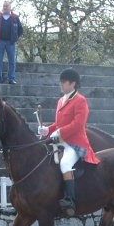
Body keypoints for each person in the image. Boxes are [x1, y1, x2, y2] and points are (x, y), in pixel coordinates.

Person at [37, 68, 100, 216]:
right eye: (61, 82)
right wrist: (47, 129)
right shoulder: (61, 100)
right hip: (61, 139)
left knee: (65, 163)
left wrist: (59, 132)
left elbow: (78, 124)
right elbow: (58, 124)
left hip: (75, 143)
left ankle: (70, 200)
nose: (61, 84)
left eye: (64, 82)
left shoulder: (81, 101)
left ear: (73, 84)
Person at [0, 1, 24, 84]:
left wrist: (15, 38)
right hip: (0, 41)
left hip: (11, 42)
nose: (5, 7)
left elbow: (21, 29)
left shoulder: (15, 17)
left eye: (7, 6)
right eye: (4, 6)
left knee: (12, 61)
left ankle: (11, 78)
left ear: (10, 7)